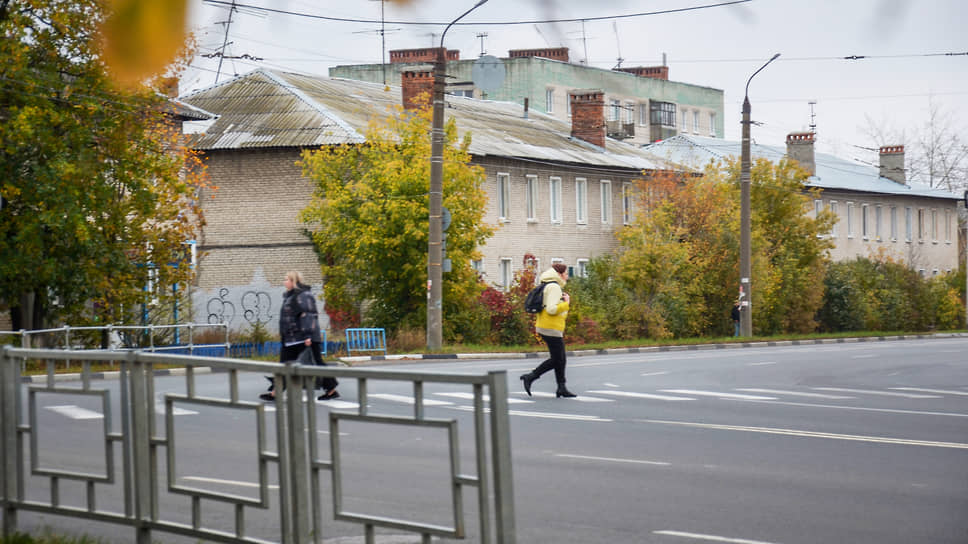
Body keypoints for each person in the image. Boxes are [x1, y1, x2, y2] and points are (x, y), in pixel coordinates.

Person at [260, 271, 340, 401]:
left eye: (286, 279)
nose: (284, 281)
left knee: (317, 364)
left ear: (294, 281)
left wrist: (308, 335)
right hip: (291, 338)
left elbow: (308, 315)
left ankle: (331, 390)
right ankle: (275, 392)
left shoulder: (303, 295)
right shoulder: (290, 296)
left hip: (304, 338)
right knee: (284, 365)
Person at [520, 263, 576, 398]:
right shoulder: (554, 287)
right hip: (550, 328)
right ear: (560, 274)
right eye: (566, 274)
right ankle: (531, 376)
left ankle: (561, 387)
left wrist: (563, 306)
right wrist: (566, 304)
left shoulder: (548, 285)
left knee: (560, 358)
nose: (567, 277)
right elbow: (551, 309)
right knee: (558, 359)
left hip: (548, 326)